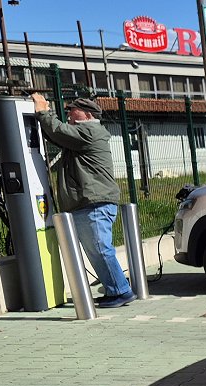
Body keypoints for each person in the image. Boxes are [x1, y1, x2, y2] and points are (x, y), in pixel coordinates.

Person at [30, 94, 135, 308]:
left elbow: (58, 131)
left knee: (100, 249)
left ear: (87, 115)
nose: (68, 113)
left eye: (73, 110)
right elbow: (57, 135)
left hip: (94, 202)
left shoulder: (89, 131)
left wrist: (43, 111)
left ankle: (121, 291)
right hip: (90, 202)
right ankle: (115, 290)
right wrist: (43, 117)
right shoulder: (82, 135)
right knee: (96, 250)